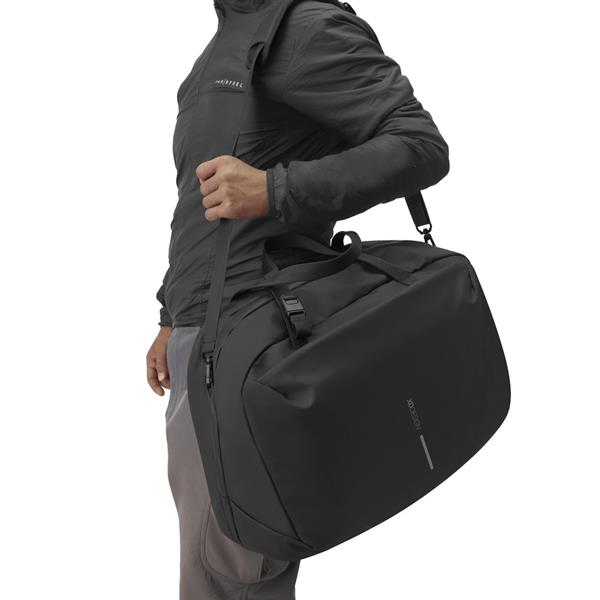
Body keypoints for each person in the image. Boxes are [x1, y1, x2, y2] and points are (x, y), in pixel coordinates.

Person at [146, 0, 449, 598]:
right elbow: (200, 206)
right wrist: (170, 314)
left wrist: (275, 189)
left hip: (247, 337)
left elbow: (420, 145)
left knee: (232, 570)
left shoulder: (306, 27)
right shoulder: (224, 47)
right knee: (216, 560)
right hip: (202, 333)